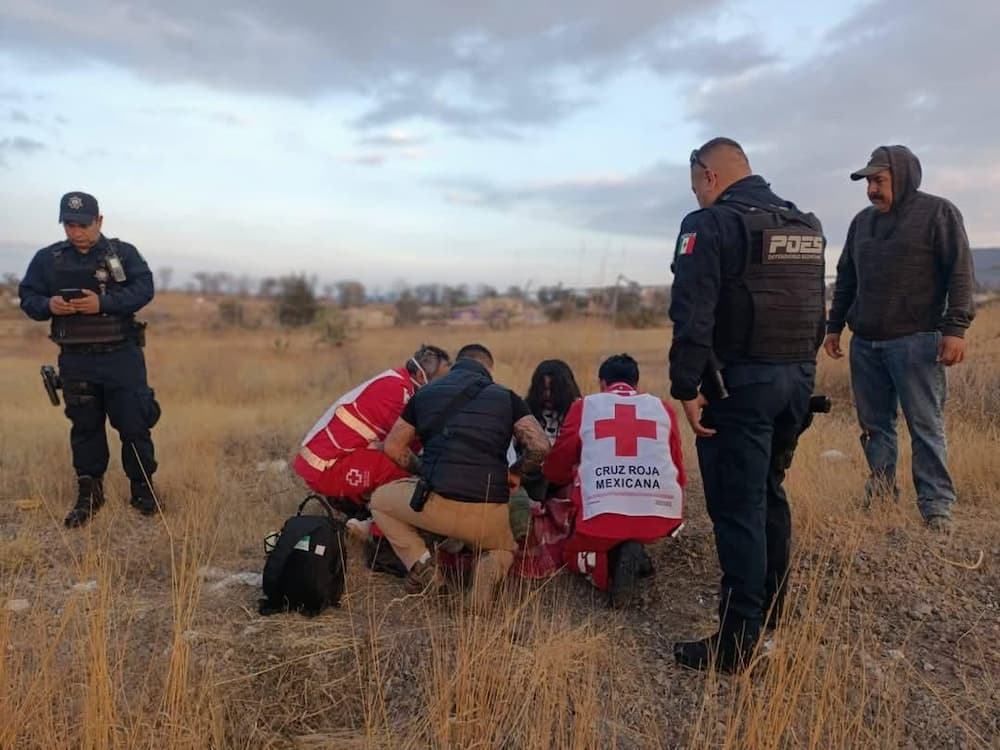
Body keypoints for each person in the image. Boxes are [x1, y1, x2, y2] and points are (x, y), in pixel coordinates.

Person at [668, 138, 826, 672]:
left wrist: (687, 389)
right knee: (768, 494)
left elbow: (693, 314)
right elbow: (816, 313)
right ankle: (770, 611)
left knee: (738, 508)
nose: (697, 195)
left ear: (709, 177)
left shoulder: (708, 225)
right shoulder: (804, 225)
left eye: (696, 186)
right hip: (795, 383)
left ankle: (737, 642)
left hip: (739, 389)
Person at [824, 146, 976, 533]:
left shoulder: (938, 213)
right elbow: (846, 278)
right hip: (867, 343)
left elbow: (960, 273)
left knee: (926, 425)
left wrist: (955, 329)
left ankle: (936, 506)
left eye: (879, 180)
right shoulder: (861, 223)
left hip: (917, 341)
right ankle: (881, 494)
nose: (872, 189)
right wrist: (834, 326)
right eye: (869, 182)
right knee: (874, 426)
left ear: (903, 176)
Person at [18, 191, 162, 527]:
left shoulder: (122, 253)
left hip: (121, 356)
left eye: (83, 224)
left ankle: (143, 492)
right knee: (85, 428)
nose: (77, 231)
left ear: (99, 221)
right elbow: (28, 296)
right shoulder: (48, 259)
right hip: (76, 358)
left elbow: (144, 289)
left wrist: (103, 303)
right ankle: (89, 494)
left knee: (134, 424)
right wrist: (48, 305)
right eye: (69, 224)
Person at [370, 343, 550, 606]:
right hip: (488, 509)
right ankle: (485, 574)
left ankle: (423, 565)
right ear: (488, 369)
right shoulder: (506, 396)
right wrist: (515, 472)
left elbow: (393, 447)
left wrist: (426, 470)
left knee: (380, 502)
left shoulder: (425, 394)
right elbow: (541, 446)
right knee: (502, 547)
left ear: (455, 364)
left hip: (434, 505)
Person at [543, 354, 685, 607]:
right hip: (660, 515)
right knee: (625, 529)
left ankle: (608, 568)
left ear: (601, 382)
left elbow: (560, 461)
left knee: (571, 555)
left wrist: (555, 479)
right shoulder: (663, 408)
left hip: (600, 516)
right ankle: (633, 552)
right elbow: (677, 467)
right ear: (637, 384)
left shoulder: (585, 406)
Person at [292, 345, 451, 507]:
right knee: (401, 477)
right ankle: (378, 529)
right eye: (442, 381)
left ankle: (362, 510)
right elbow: (402, 445)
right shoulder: (397, 392)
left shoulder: (398, 380)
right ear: (420, 375)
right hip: (325, 468)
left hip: (329, 460)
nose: (445, 387)